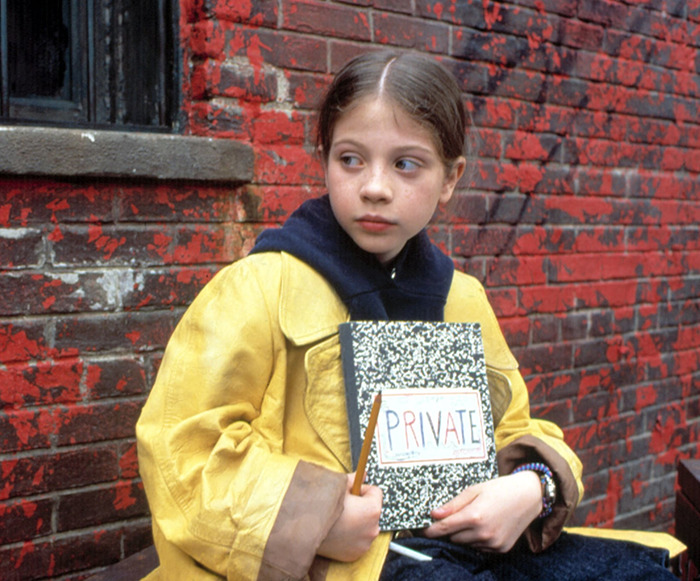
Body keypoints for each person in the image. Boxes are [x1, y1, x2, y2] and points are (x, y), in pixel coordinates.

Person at [136, 51, 675, 580]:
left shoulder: (461, 299)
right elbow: (180, 450)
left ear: (450, 178)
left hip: (455, 547)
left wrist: (532, 487)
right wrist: (317, 519)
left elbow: (514, 426)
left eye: (406, 163)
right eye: (351, 159)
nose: (374, 186)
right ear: (324, 159)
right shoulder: (259, 287)